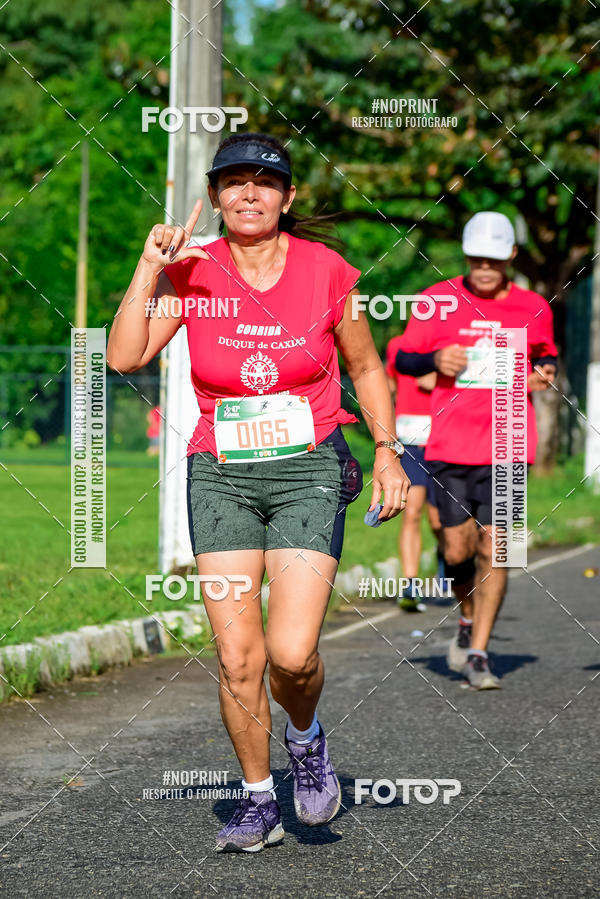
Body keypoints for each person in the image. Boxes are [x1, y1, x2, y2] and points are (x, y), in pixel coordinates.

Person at [107, 133, 410, 851]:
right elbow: (124, 355)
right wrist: (151, 267)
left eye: (265, 181)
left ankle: (305, 739)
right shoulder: (193, 270)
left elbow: (366, 369)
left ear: (288, 196)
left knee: (291, 652)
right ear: (214, 196)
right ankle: (255, 798)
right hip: (221, 473)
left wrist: (389, 450)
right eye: (234, 182)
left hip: (308, 467)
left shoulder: (329, 271)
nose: (249, 193)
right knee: (238, 654)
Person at [395, 211, 558, 689]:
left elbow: (546, 356)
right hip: (449, 443)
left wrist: (541, 375)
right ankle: (466, 620)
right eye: (475, 260)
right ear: (466, 258)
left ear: (510, 257)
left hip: (509, 440)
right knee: (457, 547)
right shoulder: (436, 301)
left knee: (502, 550)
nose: (484, 269)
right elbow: (404, 357)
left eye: (493, 260)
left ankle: (480, 653)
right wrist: (434, 358)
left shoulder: (533, 306)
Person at [385, 336, 446, 610]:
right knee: (411, 512)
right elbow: (389, 383)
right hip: (409, 442)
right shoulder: (397, 346)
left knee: (439, 522)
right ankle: (410, 585)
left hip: (444, 440)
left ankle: (448, 565)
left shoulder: (451, 346)